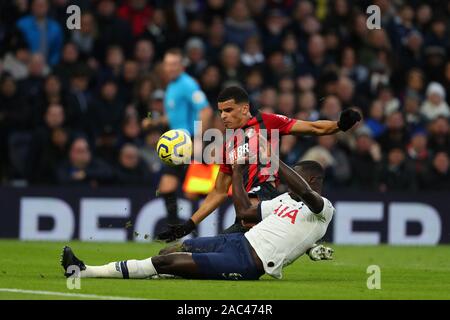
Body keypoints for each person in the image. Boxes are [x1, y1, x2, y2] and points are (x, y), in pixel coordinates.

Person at [61, 157, 334, 280]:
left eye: (295, 176)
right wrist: (236, 173)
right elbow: (244, 213)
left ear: (309, 179)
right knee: (170, 251)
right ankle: (169, 274)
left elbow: (306, 193)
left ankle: (86, 271)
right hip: (237, 242)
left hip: (249, 262)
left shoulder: (323, 209)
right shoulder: (283, 200)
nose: (285, 182)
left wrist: (273, 159)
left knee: (165, 262)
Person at [157, 85, 360, 240]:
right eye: (220, 112)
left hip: (265, 198)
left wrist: (339, 125)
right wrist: (190, 225)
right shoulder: (227, 146)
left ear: (245, 108)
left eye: (228, 110)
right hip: (245, 209)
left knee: (212, 252)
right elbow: (218, 192)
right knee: (213, 250)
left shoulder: (267, 122)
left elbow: (314, 128)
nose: (223, 116)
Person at [143, 48, 213, 225]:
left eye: (174, 64)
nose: (170, 68)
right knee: (183, 189)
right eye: (168, 64)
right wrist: (155, 122)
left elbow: (205, 110)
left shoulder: (187, 84)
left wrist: (198, 139)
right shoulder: (172, 86)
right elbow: (175, 116)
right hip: (179, 143)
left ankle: (180, 230)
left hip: (186, 142)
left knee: (173, 187)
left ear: (182, 66)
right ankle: (184, 230)